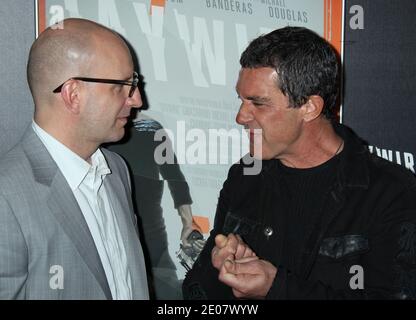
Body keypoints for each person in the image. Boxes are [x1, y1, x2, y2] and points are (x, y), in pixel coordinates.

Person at [182, 26, 416, 299]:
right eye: (241, 99)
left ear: (309, 107)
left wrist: (277, 288)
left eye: (258, 103)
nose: (240, 117)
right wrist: (221, 267)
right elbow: (198, 290)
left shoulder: (392, 193)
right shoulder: (245, 176)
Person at [0, 18, 149, 299]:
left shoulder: (116, 171)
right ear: (73, 94)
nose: (137, 100)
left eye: (135, 84)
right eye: (122, 86)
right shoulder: (6, 198)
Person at [108, 112, 205, 299]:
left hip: (152, 239)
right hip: (116, 240)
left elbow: (174, 176)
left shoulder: (151, 127)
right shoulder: (99, 131)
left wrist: (188, 224)